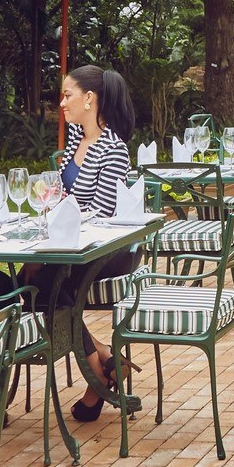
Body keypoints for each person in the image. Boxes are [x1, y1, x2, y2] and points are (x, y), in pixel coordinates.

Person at [31, 63, 139, 422]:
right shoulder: (76, 140)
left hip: (107, 250)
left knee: (44, 283)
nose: (61, 103)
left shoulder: (113, 148)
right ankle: (104, 357)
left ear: (89, 98)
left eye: (67, 95)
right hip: (71, 243)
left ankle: (97, 372)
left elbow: (103, 212)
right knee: (38, 280)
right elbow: (64, 196)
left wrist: (60, 221)